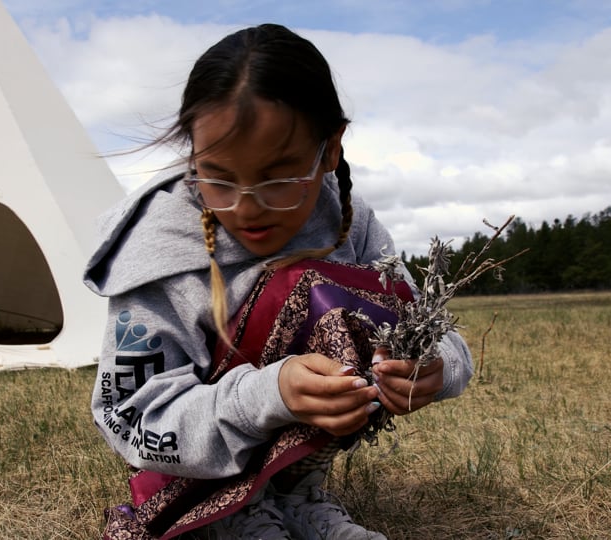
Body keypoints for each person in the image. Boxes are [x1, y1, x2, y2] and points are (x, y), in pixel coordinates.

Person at [84, 23, 473, 540]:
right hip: (185, 466)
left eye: (280, 177)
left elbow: (433, 329)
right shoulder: (158, 250)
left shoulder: (348, 221)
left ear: (331, 149)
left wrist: (434, 365)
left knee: (350, 305)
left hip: (290, 459)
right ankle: (232, 511)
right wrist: (268, 394)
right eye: (218, 178)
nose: (246, 208)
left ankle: (294, 496)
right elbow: (129, 415)